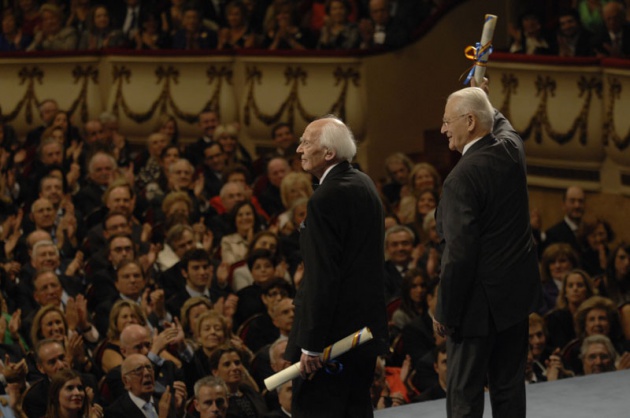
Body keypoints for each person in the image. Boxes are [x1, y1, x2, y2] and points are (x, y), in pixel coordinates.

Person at [432, 81, 542, 418]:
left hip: (475, 308)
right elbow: (500, 122)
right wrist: (483, 98)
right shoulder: (512, 148)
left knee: (464, 395)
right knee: (509, 389)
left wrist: (445, 311)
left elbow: (459, 254)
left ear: (469, 122)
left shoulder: (461, 178)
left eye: (448, 121)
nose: (442, 129)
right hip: (514, 300)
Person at [285, 116, 388, 417]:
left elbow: (322, 277)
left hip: (333, 343)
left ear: (329, 152)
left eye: (306, 142)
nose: (299, 149)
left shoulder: (325, 198)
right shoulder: (364, 183)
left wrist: (312, 345)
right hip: (361, 336)